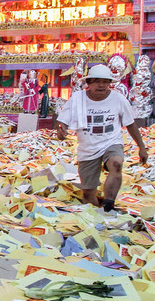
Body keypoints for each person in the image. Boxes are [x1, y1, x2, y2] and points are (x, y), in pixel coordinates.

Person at [56, 64, 148, 212]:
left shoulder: (118, 99)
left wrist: (142, 148)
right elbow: (62, 121)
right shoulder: (78, 99)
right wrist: (61, 130)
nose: (101, 85)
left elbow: (131, 124)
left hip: (111, 142)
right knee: (88, 195)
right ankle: (97, 218)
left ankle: (109, 205)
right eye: (97, 81)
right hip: (88, 148)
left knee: (116, 164)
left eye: (105, 82)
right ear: (89, 83)